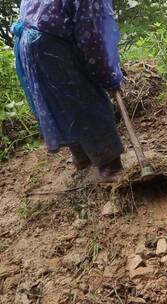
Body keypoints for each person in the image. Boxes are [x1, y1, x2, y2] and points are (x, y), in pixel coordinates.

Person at [12, 0, 124, 182]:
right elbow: (94, 40)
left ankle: (82, 158)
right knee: (87, 102)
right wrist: (109, 77)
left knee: (63, 103)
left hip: (28, 43)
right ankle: (110, 167)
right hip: (50, 45)